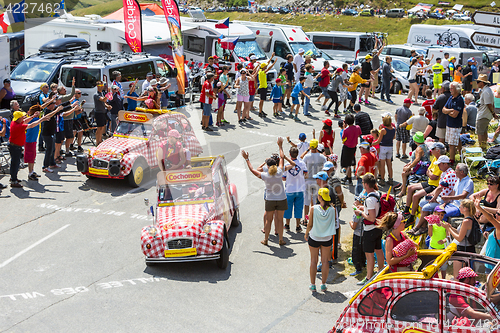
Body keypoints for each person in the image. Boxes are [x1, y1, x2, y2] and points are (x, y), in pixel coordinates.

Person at [242, 138, 295, 246]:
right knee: (280, 220)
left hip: (270, 199)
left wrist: (247, 159)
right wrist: (280, 146)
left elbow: (252, 170)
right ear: (275, 165)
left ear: (267, 166)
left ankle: (266, 240)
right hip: (281, 198)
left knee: (268, 220)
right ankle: (281, 239)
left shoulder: (265, 175)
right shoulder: (279, 172)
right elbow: (281, 158)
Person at [411, 156, 458, 235]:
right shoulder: (444, 172)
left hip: (444, 199)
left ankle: (418, 227)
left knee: (426, 207)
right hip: (440, 197)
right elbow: (439, 187)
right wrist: (432, 193)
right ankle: (423, 226)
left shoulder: (450, 174)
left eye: (439, 164)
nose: (438, 166)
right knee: (422, 202)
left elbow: (440, 187)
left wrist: (434, 198)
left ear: (445, 164)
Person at [354, 173, 384, 285]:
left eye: (362, 183)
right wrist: (364, 208)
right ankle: (381, 271)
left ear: (366, 184)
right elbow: (374, 211)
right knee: (378, 250)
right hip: (378, 228)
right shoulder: (377, 194)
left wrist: (361, 212)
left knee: (369, 254)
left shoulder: (369, 199)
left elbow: (371, 218)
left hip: (370, 229)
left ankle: (368, 278)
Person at [403, 142, 445, 223]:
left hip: (434, 185)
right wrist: (430, 173)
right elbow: (428, 171)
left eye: (433, 149)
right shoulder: (435, 158)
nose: (431, 151)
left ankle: (411, 217)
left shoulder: (440, 160)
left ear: (438, 151)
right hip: (429, 182)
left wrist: (429, 173)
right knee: (410, 188)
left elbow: (434, 176)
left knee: (415, 196)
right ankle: (406, 210)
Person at [305, 187, 337, 292]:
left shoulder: (313, 208)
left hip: (314, 237)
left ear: (319, 197)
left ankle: (312, 284)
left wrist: (306, 234)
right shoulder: (333, 210)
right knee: (325, 261)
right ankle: (323, 284)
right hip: (327, 238)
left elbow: (309, 224)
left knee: (313, 261)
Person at [9, 110, 51, 187]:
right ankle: (13, 181)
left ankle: (13, 178)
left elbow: (25, 121)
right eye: (22, 116)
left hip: (15, 146)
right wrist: (41, 119)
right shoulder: (18, 126)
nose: (24, 117)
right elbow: (31, 125)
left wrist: (33, 116)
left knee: (15, 163)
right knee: (15, 164)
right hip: (15, 147)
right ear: (18, 118)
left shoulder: (15, 122)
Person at [443, 199, 477, 276]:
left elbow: (459, 238)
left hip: (463, 250)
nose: (459, 208)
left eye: (460, 206)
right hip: (470, 249)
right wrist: (450, 227)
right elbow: (461, 233)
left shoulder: (466, 221)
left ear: (466, 208)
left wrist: (448, 229)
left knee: (457, 277)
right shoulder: (471, 219)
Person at [396, 132, 430, 198]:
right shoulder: (425, 146)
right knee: (404, 168)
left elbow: (417, 159)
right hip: (423, 166)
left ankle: (403, 191)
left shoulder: (419, 149)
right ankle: (403, 186)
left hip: (420, 168)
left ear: (415, 140)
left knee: (404, 173)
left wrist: (410, 167)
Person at [283, 147, 307, 233]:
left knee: (288, 208)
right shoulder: (302, 163)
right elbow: (306, 172)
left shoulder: (286, 164)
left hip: (289, 189)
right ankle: (297, 226)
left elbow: (283, 177)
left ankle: (287, 225)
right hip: (300, 188)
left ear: (290, 154)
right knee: (299, 207)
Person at [303, 139, 327, 220]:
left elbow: (303, 168)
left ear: (310, 147)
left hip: (308, 180)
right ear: (317, 146)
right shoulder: (322, 157)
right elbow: (325, 169)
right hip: (318, 181)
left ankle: (306, 219)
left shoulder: (306, 157)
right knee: (317, 200)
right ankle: (316, 218)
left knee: (306, 201)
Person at [442, 81, 464, 165]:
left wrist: (448, 111)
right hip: (449, 123)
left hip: (455, 124)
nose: (450, 90)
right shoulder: (451, 98)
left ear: (457, 90)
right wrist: (451, 110)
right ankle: (461, 154)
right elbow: (443, 109)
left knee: (451, 144)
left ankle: (452, 161)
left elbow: (455, 115)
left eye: (452, 88)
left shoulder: (459, 100)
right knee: (456, 140)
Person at [372, 114, 395, 186]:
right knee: (389, 164)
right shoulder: (394, 129)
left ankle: (382, 179)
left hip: (383, 147)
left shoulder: (383, 130)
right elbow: (394, 137)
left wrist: (371, 144)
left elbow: (378, 141)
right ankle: (390, 179)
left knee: (382, 165)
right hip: (390, 147)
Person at [426, 208, 448, 278]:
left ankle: (443, 279)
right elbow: (430, 234)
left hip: (442, 249)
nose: (440, 216)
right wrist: (430, 226)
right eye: (438, 214)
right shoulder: (432, 224)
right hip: (432, 247)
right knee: (432, 265)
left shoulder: (445, 224)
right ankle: (435, 278)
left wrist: (444, 241)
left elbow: (448, 237)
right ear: (434, 214)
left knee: (443, 266)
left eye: (442, 215)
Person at [476, 74, 496, 149]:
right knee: (484, 132)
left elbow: (489, 104)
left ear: (482, 83)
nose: (477, 83)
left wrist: (493, 113)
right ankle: (484, 148)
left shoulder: (485, 92)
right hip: (485, 115)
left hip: (483, 115)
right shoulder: (487, 90)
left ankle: (482, 149)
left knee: (480, 133)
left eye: (478, 82)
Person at [340, 114, 362, 185]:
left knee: (347, 163)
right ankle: (348, 176)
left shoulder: (346, 130)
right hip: (354, 146)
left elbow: (343, 138)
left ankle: (349, 178)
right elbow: (359, 135)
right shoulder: (357, 127)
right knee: (350, 161)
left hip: (347, 147)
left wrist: (344, 128)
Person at [94, 80, 111, 145]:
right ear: (97, 86)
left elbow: (103, 102)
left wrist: (107, 106)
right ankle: (97, 141)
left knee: (103, 126)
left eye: (102, 85)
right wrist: (108, 93)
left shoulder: (102, 93)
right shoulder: (96, 94)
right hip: (98, 113)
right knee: (99, 127)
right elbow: (103, 99)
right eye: (99, 85)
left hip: (103, 112)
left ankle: (100, 140)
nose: (101, 87)